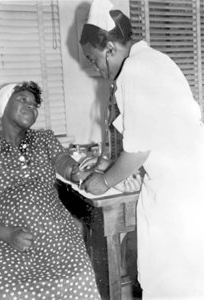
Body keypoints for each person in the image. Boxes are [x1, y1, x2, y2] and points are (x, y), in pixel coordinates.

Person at [79, 0, 204, 299]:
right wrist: (108, 162)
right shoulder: (154, 61)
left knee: (171, 280)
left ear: (109, 48)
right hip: (186, 183)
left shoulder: (135, 69)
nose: (96, 68)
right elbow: (144, 131)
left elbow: (138, 151)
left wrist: (104, 180)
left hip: (178, 193)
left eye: (93, 59)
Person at [0, 81, 101, 300]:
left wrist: (79, 171)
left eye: (35, 105)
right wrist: (6, 234)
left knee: (80, 278)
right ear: (3, 106)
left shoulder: (43, 139)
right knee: (8, 292)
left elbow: (64, 162)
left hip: (57, 234)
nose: (31, 107)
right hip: (8, 236)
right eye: (22, 100)